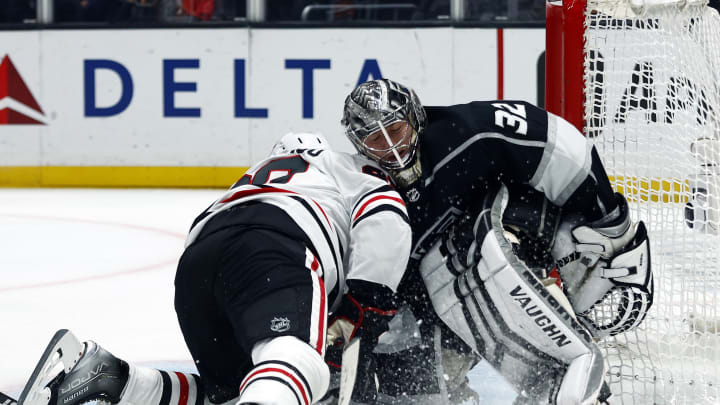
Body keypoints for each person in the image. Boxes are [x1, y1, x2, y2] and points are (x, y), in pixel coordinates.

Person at [18, 132, 411, 405]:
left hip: (197, 264)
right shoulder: (341, 166)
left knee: (233, 393)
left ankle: (109, 377)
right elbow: (385, 218)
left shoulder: (251, 180)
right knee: (298, 360)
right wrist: (368, 301)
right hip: (275, 246)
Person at [336, 79, 653, 404]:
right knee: (418, 391)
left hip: (517, 232)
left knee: (478, 252)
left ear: (415, 116)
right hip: (433, 302)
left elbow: (553, 140)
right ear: (360, 145)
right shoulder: (369, 194)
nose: (392, 147)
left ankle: (563, 362)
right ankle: (547, 383)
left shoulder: (465, 134)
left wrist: (607, 217)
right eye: (376, 139)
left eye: (396, 129)